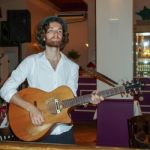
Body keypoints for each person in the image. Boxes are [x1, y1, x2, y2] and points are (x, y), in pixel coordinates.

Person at [0, 16, 103, 144]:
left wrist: (90, 100)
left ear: (63, 37)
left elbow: (71, 98)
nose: (56, 33)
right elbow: (5, 89)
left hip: (65, 132)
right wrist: (31, 108)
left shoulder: (72, 67)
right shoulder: (31, 62)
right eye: (51, 30)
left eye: (59, 31)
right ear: (43, 36)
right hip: (36, 130)